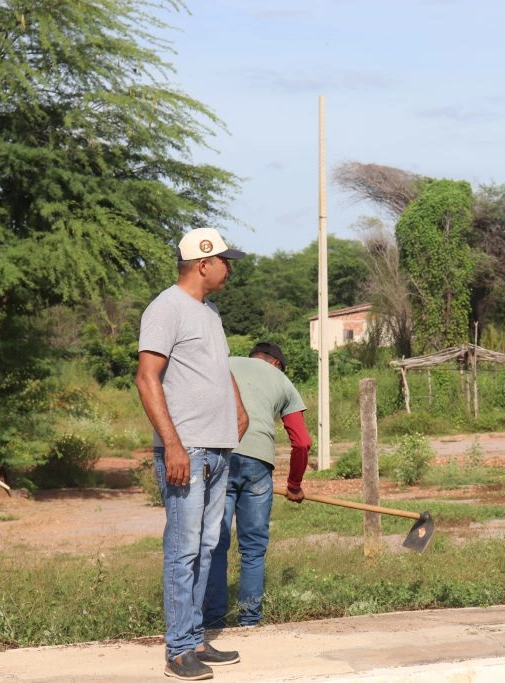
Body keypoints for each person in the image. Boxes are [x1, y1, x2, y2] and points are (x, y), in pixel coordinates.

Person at [136, 227, 250, 681]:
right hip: (189, 448)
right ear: (204, 264)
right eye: (225, 261)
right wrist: (173, 444)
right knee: (183, 549)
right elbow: (147, 377)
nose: (229, 269)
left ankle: (196, 638)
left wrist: (238, 406)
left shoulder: (210, 312)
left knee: (207, 545)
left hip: (218, 447)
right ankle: (178, 649)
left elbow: (219, 368)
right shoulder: (166, 307)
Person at [204, 341, 311, 629]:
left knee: (215, 542)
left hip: (218, 455)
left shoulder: (225, 364)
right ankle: (249, 620)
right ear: (276, 363)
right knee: (253, 548)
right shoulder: (282, 381)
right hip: (258, 463)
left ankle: (213, 621)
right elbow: (302, 442)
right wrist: (294, 484)